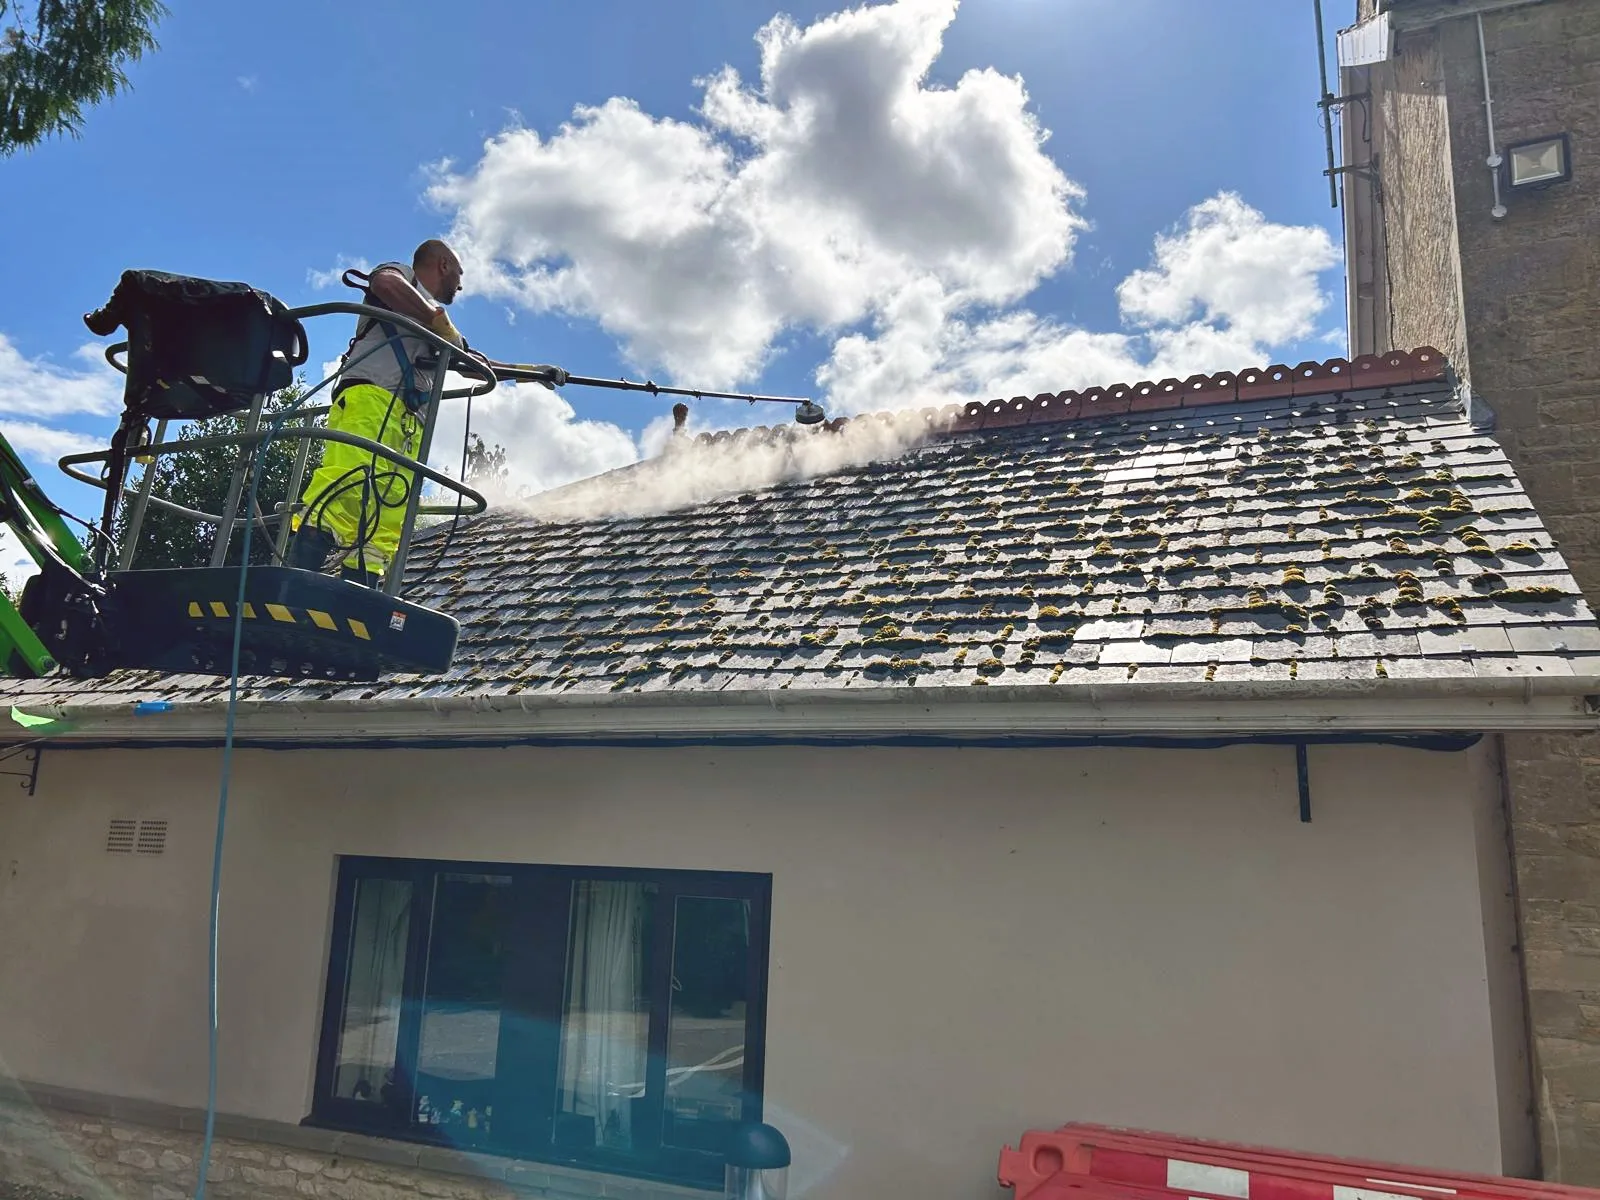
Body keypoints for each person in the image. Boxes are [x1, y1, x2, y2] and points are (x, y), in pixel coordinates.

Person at [287, 239, 481, 587]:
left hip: (410, 423)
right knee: (345, 487)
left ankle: (359, 596)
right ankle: (296, 581)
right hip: (370, 399)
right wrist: (436, 322)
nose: (461, 285)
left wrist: (532, 370)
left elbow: (474, 364)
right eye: (460, 274)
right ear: (443, 265)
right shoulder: (402, 278)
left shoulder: (443, 331)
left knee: (389, 515)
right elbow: (384, 283)